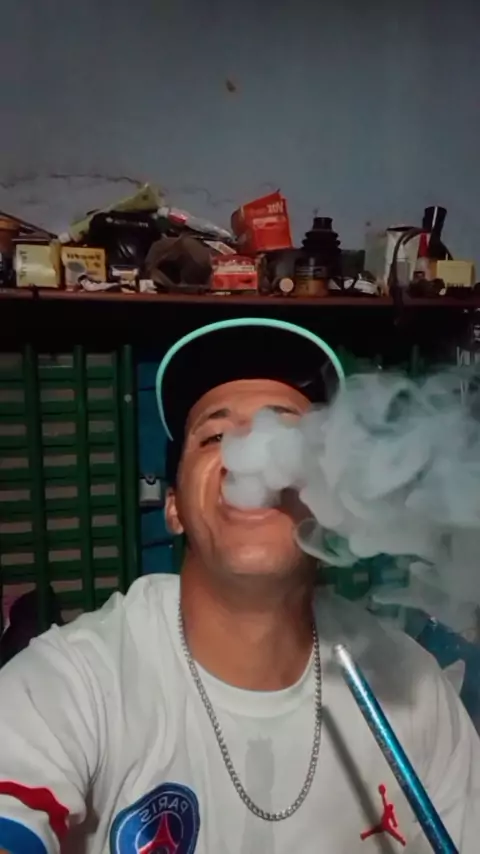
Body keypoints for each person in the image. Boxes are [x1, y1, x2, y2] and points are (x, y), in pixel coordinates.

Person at [0, 317, 479, 854]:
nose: (248, 453)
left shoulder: (412, 687)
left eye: (288, 435)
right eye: (214, 436)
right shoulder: (76, 682)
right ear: (174, 507)